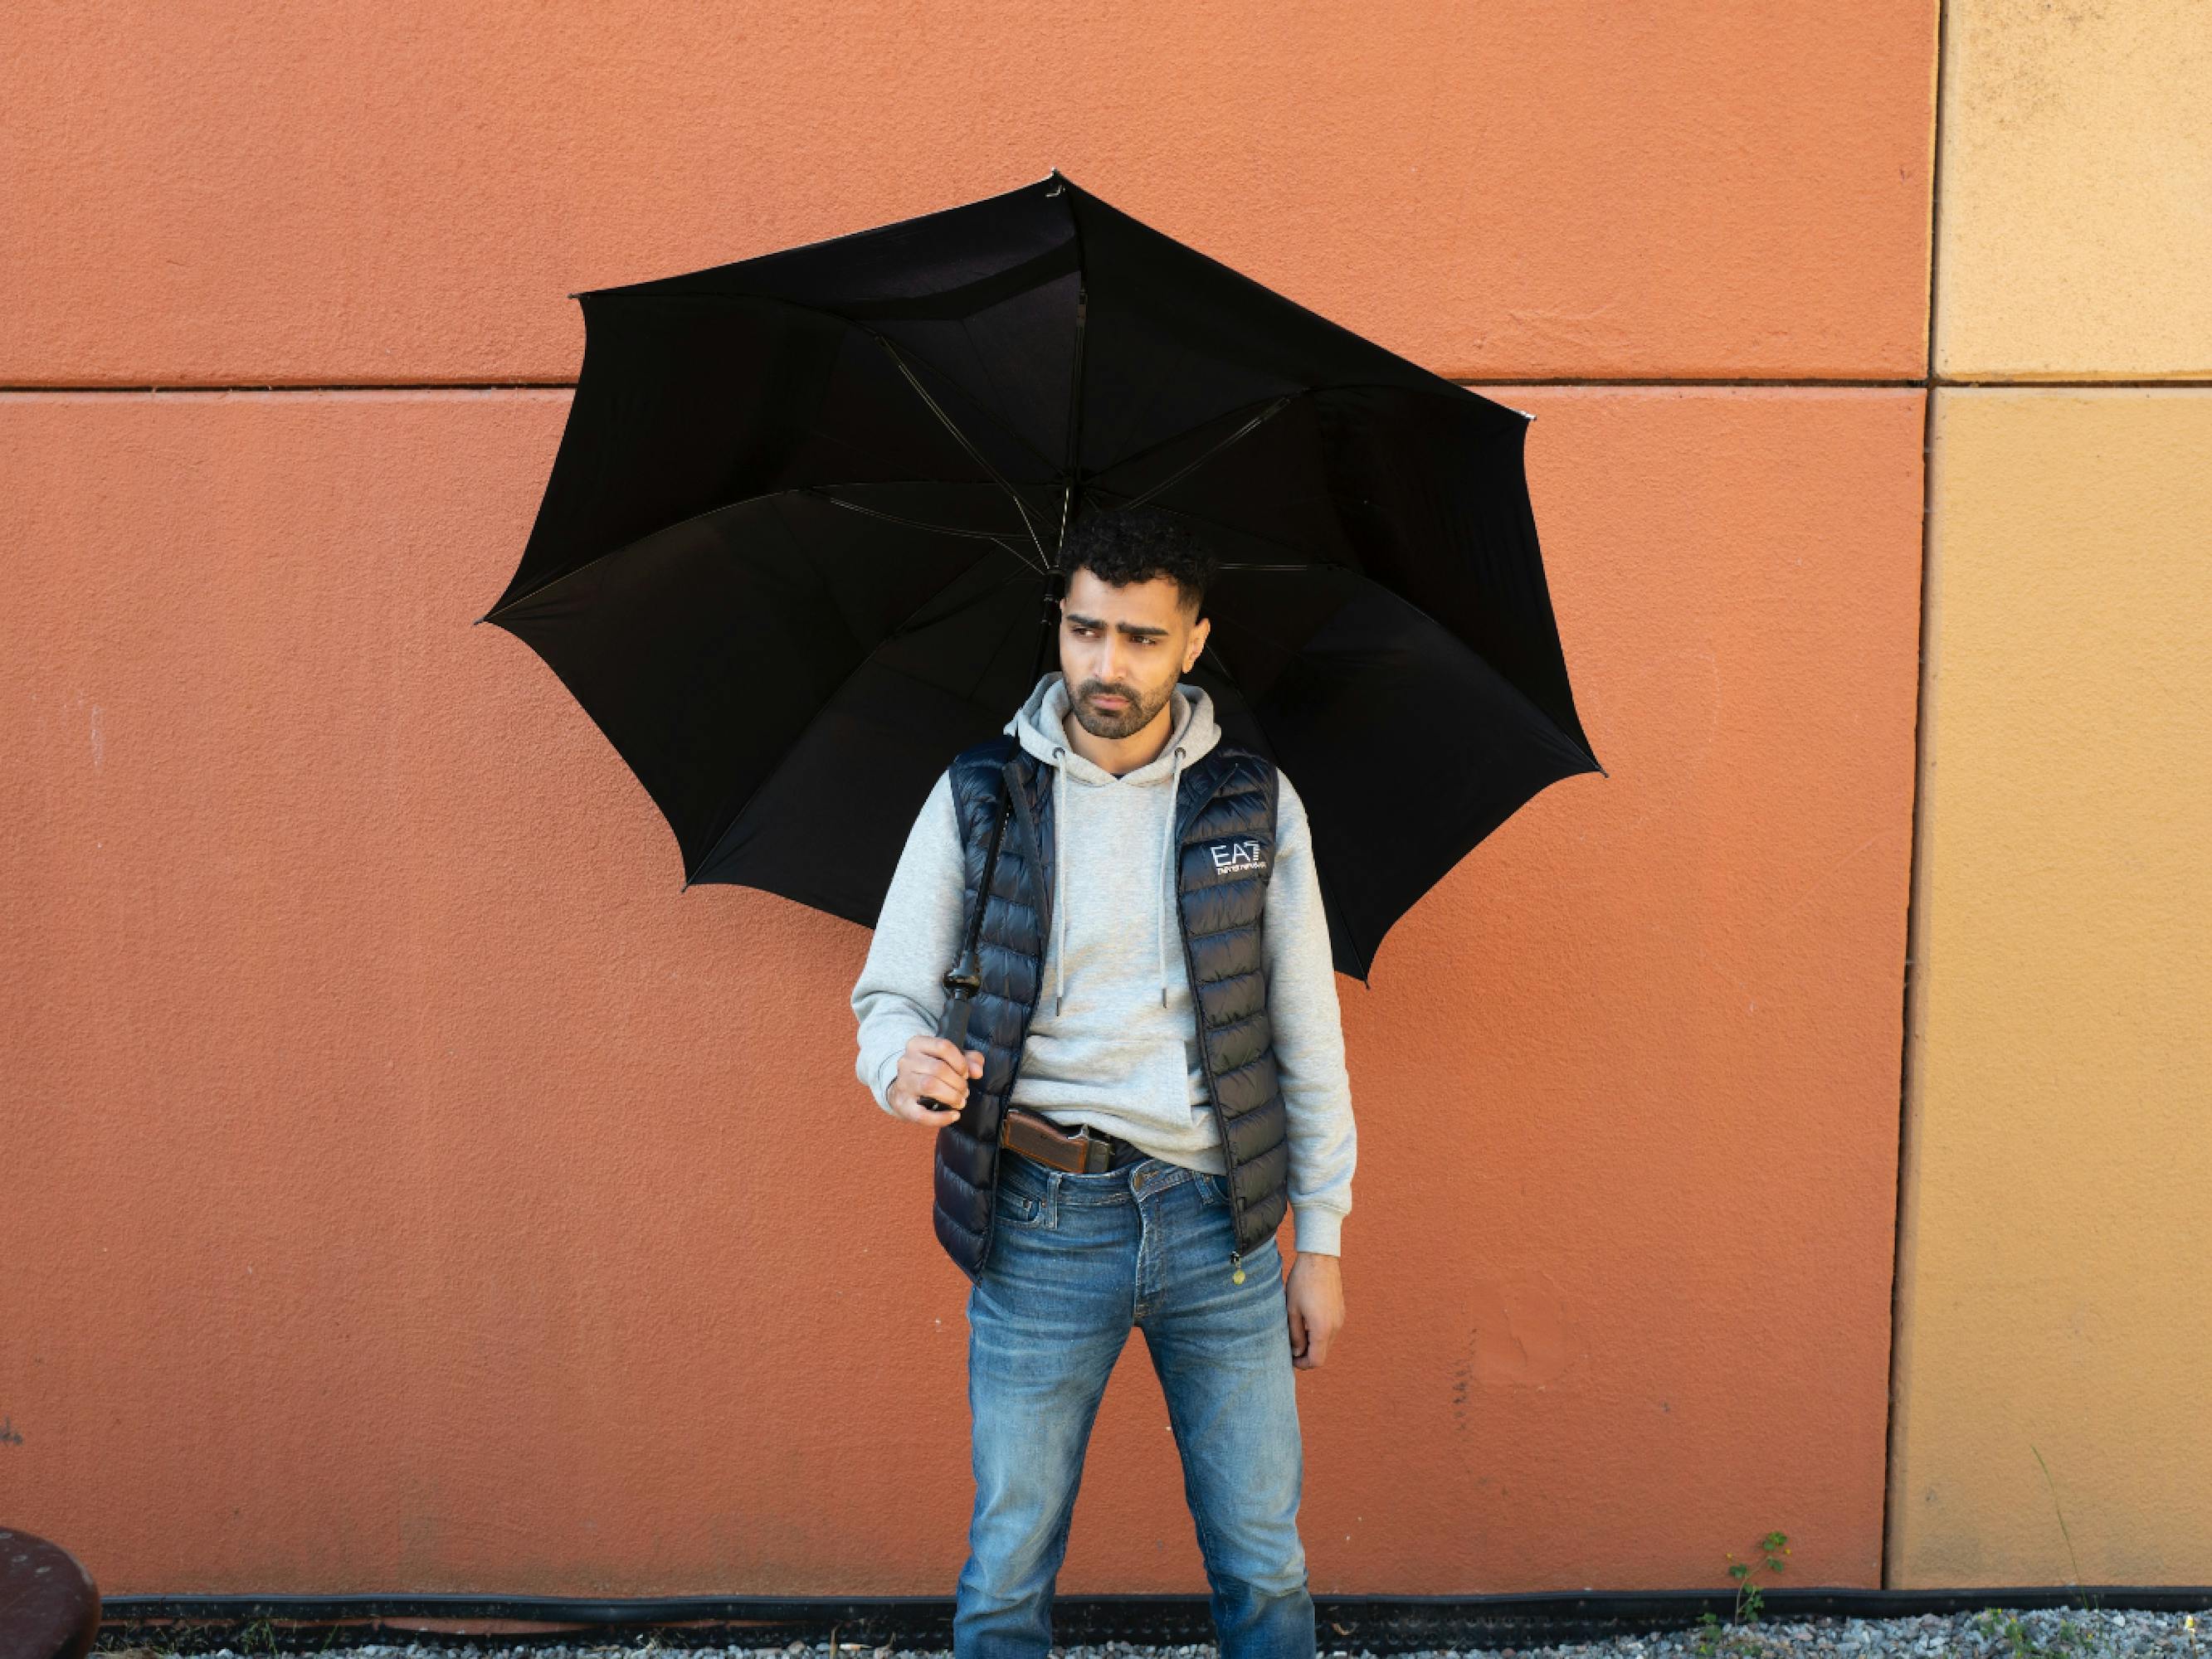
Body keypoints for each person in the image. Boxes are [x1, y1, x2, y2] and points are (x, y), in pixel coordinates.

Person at [849, 505, 1357, 1659]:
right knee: (1006, 1565)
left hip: (1217, 1223)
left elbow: (1304, 1033)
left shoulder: (1250, 804)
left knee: (1264, 1564)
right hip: (1037, 1220)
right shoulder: (981, 792)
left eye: (1137, 638)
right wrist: (901, 1064)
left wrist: (1318, 1242)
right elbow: (889, 996)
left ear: (1191, 642)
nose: (1104, 665)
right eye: (1084, 633)